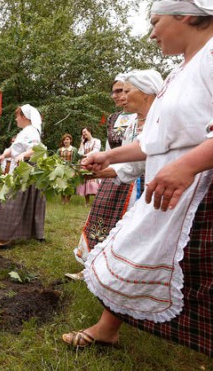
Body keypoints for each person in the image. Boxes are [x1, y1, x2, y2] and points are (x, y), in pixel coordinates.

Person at [62, 0, 213, 369]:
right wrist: (109, 155)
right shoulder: (181, 69)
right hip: (171, 185)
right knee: (133, 254)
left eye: (156, 22)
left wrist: (188, 166)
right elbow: (156, 141)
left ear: (187, 16)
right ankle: (108, 328)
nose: (152, 33)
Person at [65, 70, 164, 281]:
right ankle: (101, 270)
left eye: (126, 91)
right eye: (120, 91)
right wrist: (100, 170)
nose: (121, 97)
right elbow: (132, 161)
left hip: (158, 186)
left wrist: (106, 160)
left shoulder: (165, 118)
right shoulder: (125, 123)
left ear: (147, 92)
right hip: (126, 178)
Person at [0, 104, 45, 249]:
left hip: (26, 170)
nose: (15, 119)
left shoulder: (31, 131)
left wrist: (23, 155)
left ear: (24, 117)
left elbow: (36, 148)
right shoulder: (24, 131)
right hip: (21, 169)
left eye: (17, 116)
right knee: (21, 203)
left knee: (11, 202)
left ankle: (5, 239)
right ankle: (24, 233)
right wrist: (2, 155)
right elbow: (13, 148)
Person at [75, 127, 101, 206]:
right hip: (85, 164)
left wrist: (86, 155)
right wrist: (82, 142)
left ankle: (97, 202)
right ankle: (87, 202)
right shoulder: (85, 144)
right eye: (83, 132)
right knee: (85, 181)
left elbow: (96, 151)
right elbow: (80, 153)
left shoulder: (96, 141)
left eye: (85, 132)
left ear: (89, 131)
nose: (84, 134)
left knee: (94, 182)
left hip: (93, 163)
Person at [57, 133, 78, 205]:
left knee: (70, 184)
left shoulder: (74, 149)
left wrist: (75, 169)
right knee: (61, 184)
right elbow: (57, 160)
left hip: (70, 169)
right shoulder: (59, 150)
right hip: (61, 168)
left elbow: (75, 160)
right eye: (64, 140)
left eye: (67, 139)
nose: (65, 141)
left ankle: (68, 200)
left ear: (70, 140)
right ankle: (63, 200)